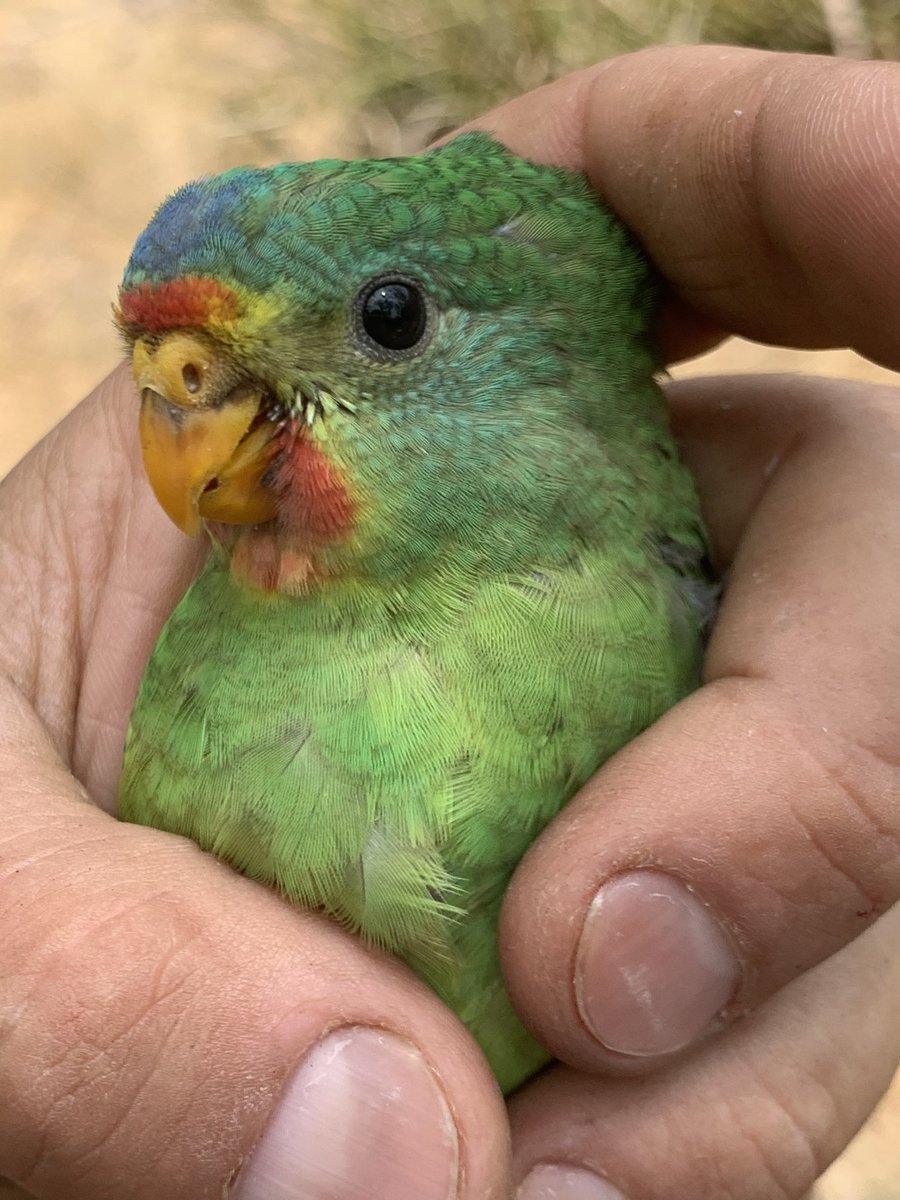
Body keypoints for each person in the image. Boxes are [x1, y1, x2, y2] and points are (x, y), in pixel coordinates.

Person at [1, 43, 899, 1200]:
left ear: (559, 362)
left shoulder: (686, 629)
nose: (185, 410)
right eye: (173, 376)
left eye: (386, 319)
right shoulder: (156, 655)